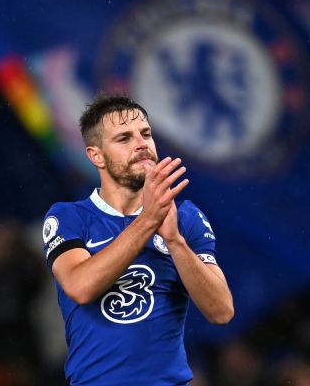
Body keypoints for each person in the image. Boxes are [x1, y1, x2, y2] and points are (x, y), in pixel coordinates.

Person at [41, 94, 234, 385]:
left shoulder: (185, 219)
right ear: (96, 156)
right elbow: (80, 287)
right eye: (124, 138)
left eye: (145, 134)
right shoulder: (69, 218)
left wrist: (175, 241)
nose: (141, 144)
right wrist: (148, 221)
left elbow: (221, 311)